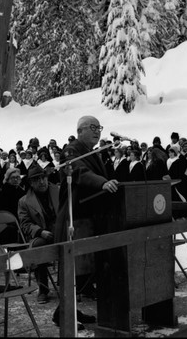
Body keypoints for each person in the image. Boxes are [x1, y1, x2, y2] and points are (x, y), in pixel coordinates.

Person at [52, 115, 119, 329]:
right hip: (74, 217)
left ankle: (69, 311)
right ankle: (64, 315)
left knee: (84, 271)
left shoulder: (95, 152)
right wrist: (102, 183)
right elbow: (80, 172)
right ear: (80, 131)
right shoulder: (71, 150)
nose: (97, 131)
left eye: (99, 127)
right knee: (72, 269)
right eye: (92, 127)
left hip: (89, 217)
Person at [18, 166, 58, 304]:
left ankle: (80, 285)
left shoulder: (59, 191)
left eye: (43, 178)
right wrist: (41, 231)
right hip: (42, 235)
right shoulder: (24, 201)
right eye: (37, 180)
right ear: (31, 183)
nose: (41, 182)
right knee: (38, 247)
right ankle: (43, 289)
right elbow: (25, 224)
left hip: (61, 231)